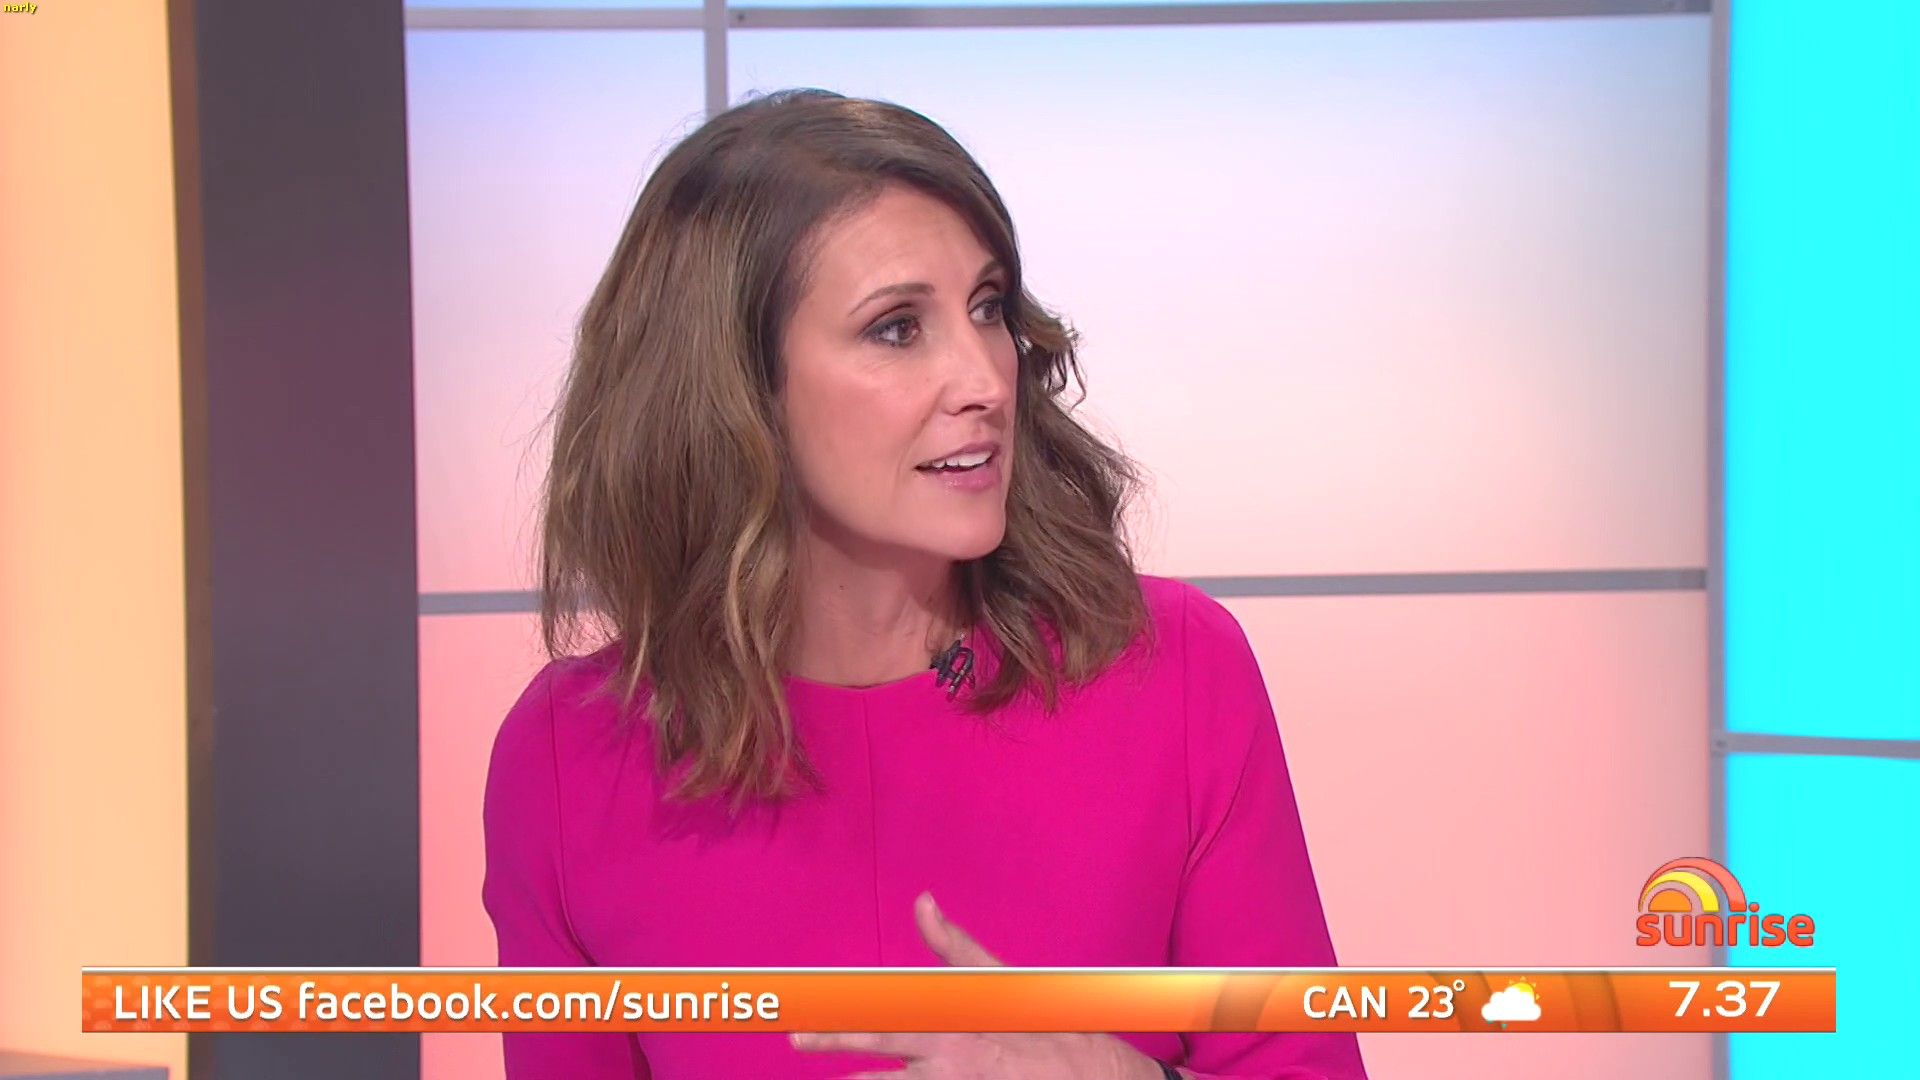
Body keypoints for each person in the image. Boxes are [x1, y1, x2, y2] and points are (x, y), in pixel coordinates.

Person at [482, 87, 1368, 1080]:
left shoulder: (1173, 669)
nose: (987, 379)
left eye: (987, 309)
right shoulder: (567, 760)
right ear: (733, 390)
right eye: (898, 328)